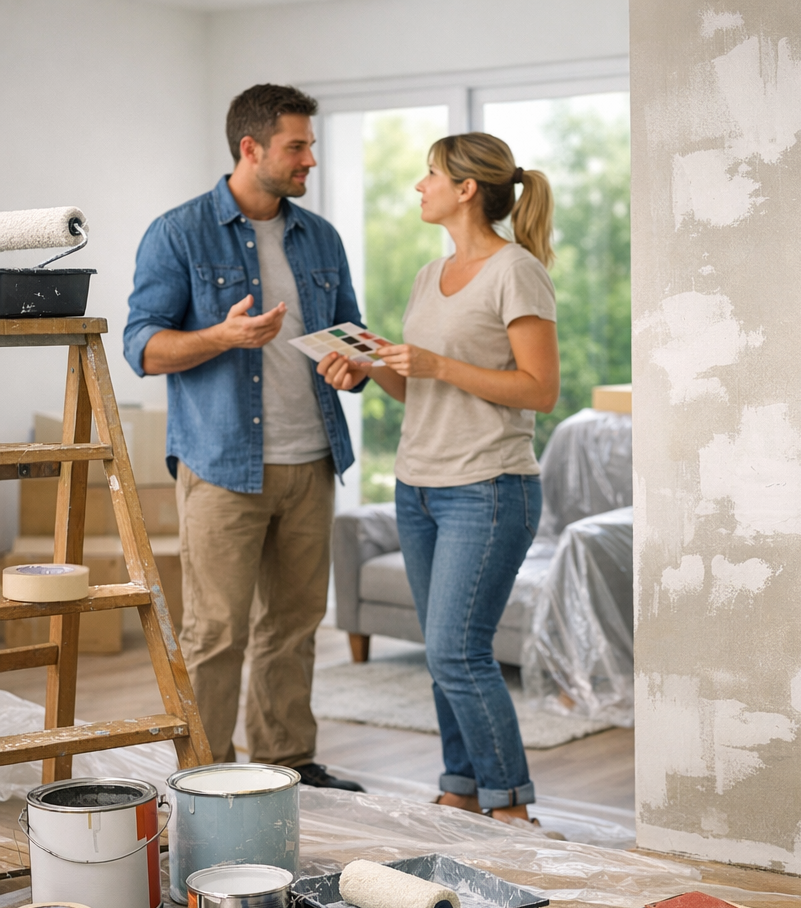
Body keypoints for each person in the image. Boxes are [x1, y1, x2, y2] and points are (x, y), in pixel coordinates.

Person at [123, 84, 365, 789]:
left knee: (293, 626)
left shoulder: (320, 236)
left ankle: (287, 762)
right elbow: (142, 348)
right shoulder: (178, 232)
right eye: (298, 146)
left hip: (312, 458)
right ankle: (204, 776)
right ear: (251, 148)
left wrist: (356, 368)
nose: (310, 159)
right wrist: (221, 337)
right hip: (222, 463)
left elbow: (347, 331)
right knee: (216, 633)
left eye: (311, 145)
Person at [318, 133, 559, 825]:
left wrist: (437, 365)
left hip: (487, 487)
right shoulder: (431, 275)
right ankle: (459, 789)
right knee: (438, 654)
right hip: (417, 486)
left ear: (465, 189)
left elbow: (540, 389)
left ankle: (510, 807)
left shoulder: (517, 271)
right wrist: (368, 368)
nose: (418, 187)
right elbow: (415, 389)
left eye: (429, 175)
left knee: (459, 652)